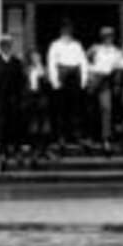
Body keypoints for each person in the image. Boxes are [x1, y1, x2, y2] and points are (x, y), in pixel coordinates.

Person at [0, 34, 26, 169]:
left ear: (11, 46)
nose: (6, 47)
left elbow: (22, 82)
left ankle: (16, 149)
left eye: (8, 45)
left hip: (14, 99)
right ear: (0, 47)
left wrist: (21, 98)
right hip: (1, 100)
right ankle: (3, 151)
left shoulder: (17, 62)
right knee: (1, 125)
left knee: (16, 125)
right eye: (3, 45)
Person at [46, 20, 89, 149]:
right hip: (62, 76)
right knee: (61, 109)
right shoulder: (55, 45)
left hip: (74, 77)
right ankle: (61, 136)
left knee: (75, 108)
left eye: (69, 31)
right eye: (65, 31)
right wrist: (55, 81)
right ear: (61, 32)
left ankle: (76, 135)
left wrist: (83, 80)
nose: (67, 33)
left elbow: (83, 62)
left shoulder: (77, 45)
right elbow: (51, 63)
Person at [86, 26, 123, 152]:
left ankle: (106, 139)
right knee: (90, 109)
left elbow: (118, 69)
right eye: (105, 36)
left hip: (106, 81)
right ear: (102, 37)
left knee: (106, 109)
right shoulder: (95, 48)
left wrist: (117, 85)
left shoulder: (116, 52)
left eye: (110, 35)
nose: (108, 38)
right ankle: (89, 138)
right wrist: (89, 74)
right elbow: (84, 61)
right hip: (94, 78)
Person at [22, 50, 52, 161]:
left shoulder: (44, 69)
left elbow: (49, 84)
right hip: (31, 99)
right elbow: (24, 85)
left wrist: (43, 73)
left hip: (42, 99)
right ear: (30, 59)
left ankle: (45, 150)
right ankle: (35, 150)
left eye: (38, 57)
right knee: (33, 126)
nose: (36, 59)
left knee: (45, 126)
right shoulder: (27, 70)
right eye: (34, 57)